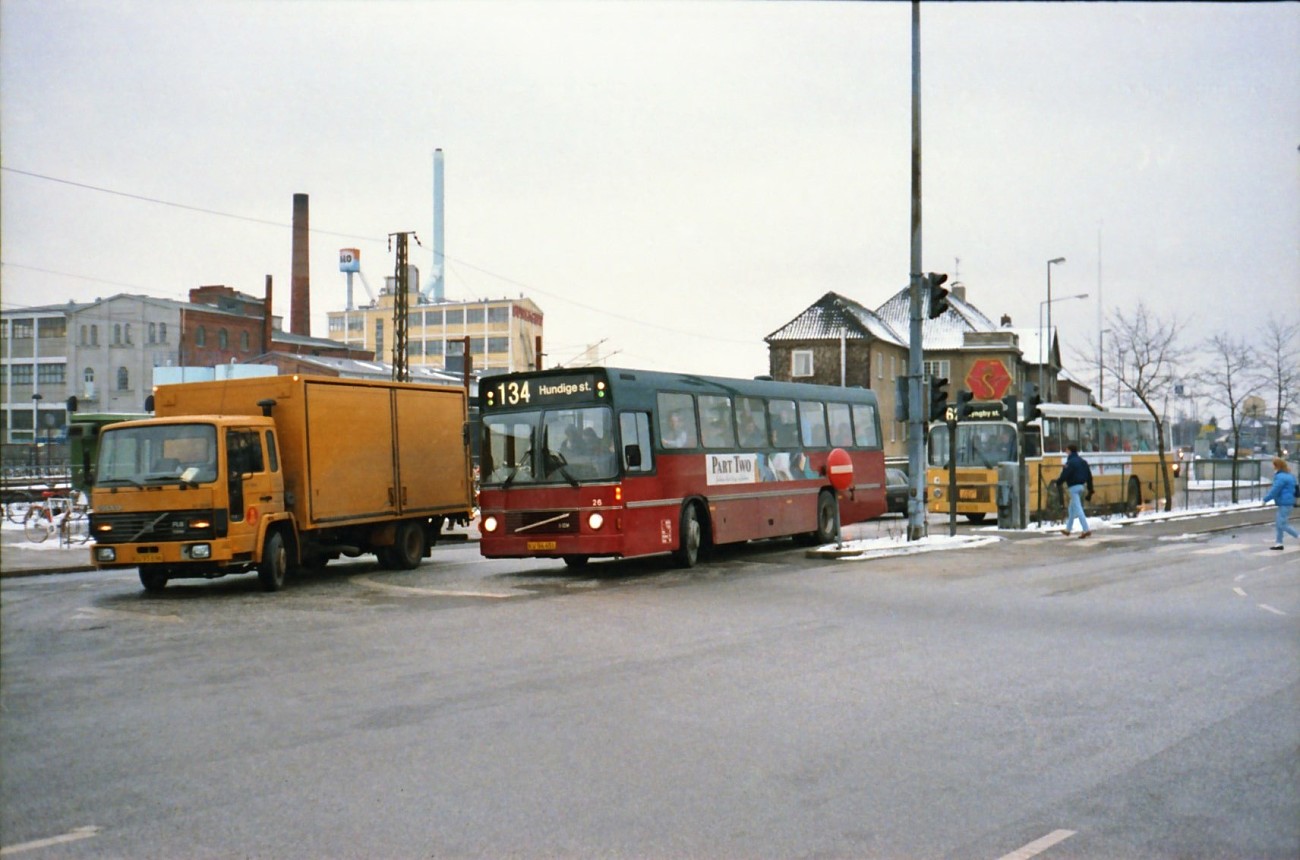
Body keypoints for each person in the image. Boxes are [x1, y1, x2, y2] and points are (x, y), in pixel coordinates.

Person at [1054, 443, 1094, 538]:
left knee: (1078, 508)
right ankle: (1068, 529)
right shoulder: (1083, 462)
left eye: (1066, 450)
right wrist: (1090, 489)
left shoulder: (1070, 463)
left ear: (1070, 451)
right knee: (1071, 509)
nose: (1066, 452)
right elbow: (1089, 476)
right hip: (1082, 486)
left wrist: (1058, 483)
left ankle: (1086, 529)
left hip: (1073, 488)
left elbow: (1064, 475)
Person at [1261, 457, 1298, 551]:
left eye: (1274, 465)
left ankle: (1297, 535)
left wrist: (1265, 499)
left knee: (1282, 524)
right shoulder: (1289, 475)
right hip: (1288, 502)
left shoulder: (1281, 477)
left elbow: (1275, 491)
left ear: (1277, 466)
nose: (1273, 467)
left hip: (1285, 503)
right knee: (1279, 523)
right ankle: (1279, 543)